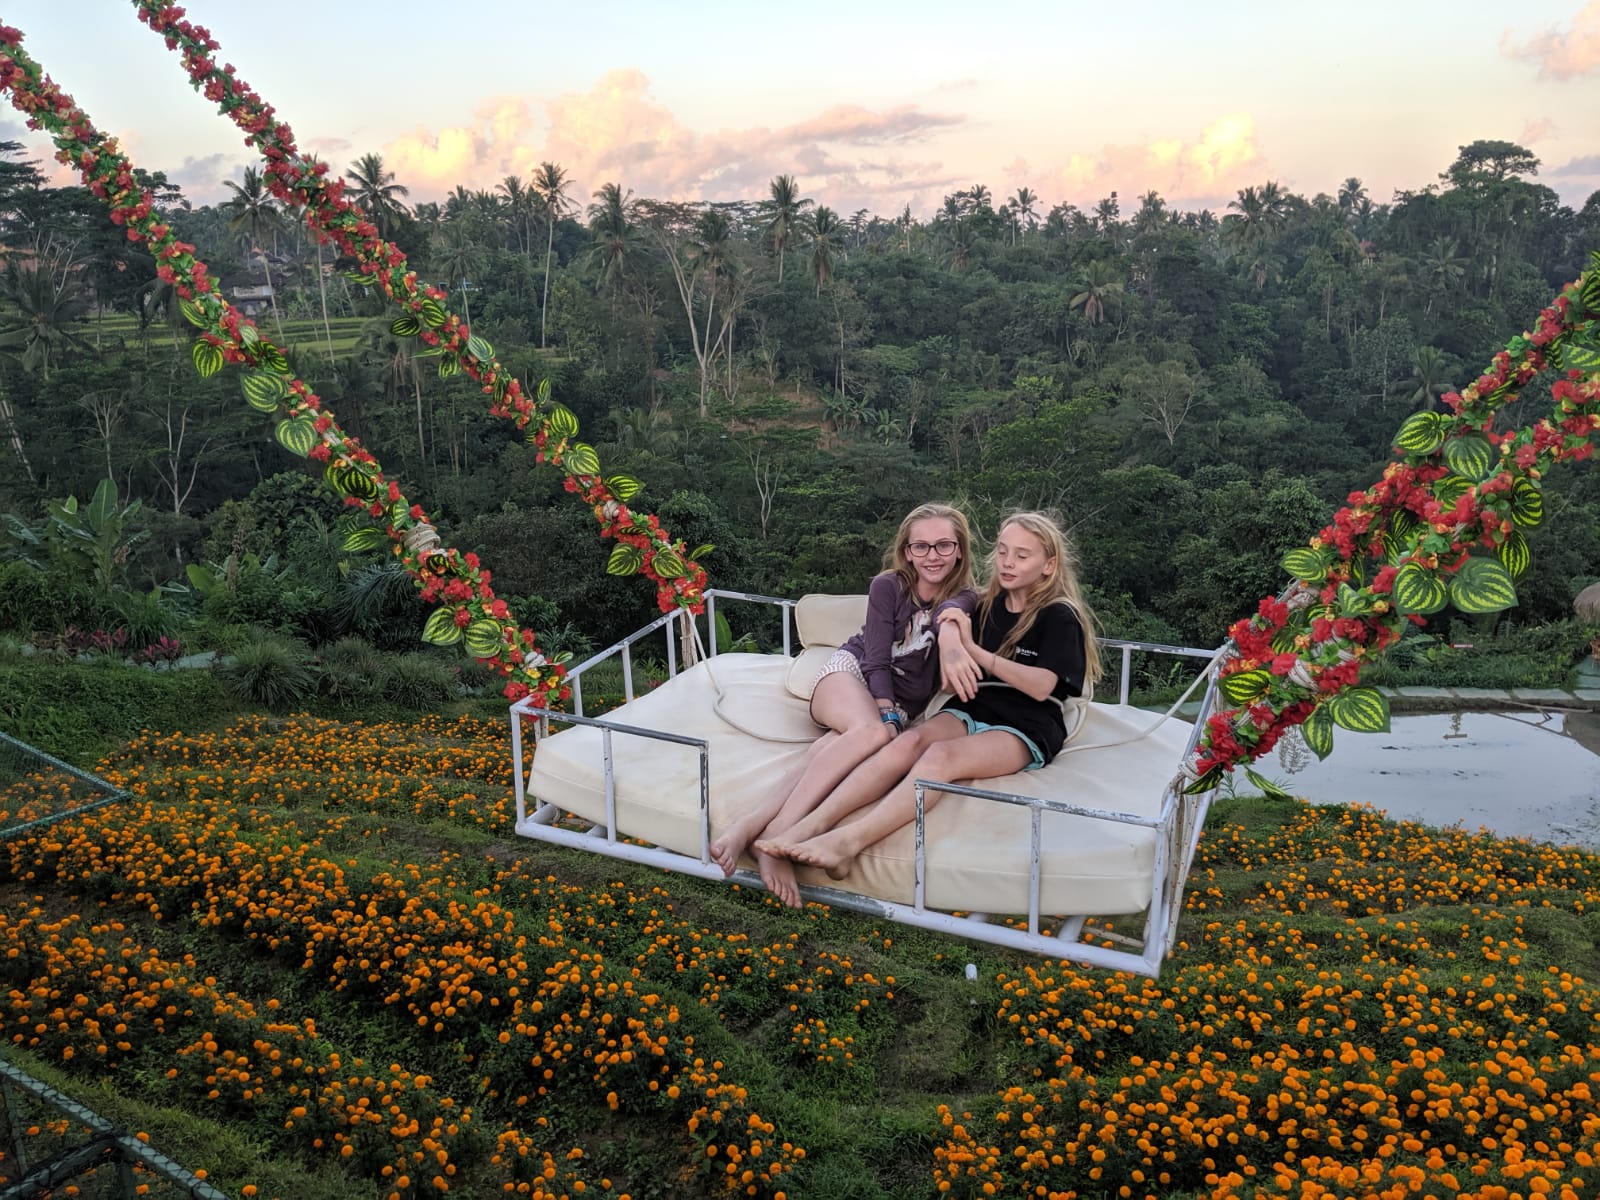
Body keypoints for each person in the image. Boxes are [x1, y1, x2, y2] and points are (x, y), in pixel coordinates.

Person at [756, 511, 1102, 881]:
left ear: (1049, 565)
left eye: (1022, 555)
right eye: (1002, 552)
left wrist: (975, 652)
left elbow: (1041, 686)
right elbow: (952, 617)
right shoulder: (987, 606)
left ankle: (848, 842)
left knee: (940, 757)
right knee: (907, 743)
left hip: (1026, 722)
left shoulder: (1058, 615)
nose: (1007, 562)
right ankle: (810, 826)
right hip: (973, 706)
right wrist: (951, 643)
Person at [709, 503, 978, 906]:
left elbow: (954, 613)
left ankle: (748, 827)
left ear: (959, 550)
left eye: (943, 545)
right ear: (906, 552)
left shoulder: (966, 598)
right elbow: (875, 660)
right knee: (869, 732)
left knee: (827, 749)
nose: (932, 556)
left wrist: (953, 639)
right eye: (920, 546)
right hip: (852, 675)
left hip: (899, 706)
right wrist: (886, 713)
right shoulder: (888, 586)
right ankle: (776, 837)